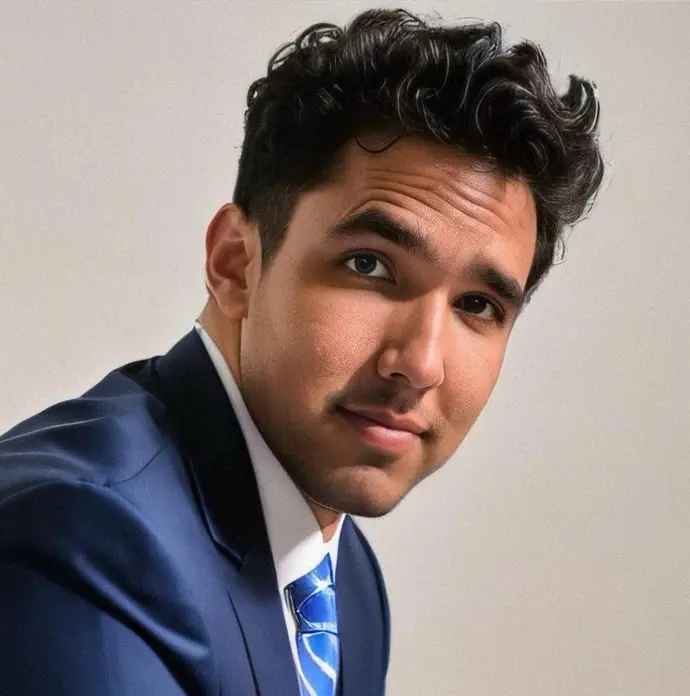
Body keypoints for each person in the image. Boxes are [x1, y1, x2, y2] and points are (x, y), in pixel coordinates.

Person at [0, 8, 604, 696]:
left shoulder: (343, 576)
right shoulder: (80, 544)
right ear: (235, 264)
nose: (421, 363)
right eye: (370, 266)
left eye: (478, 305)